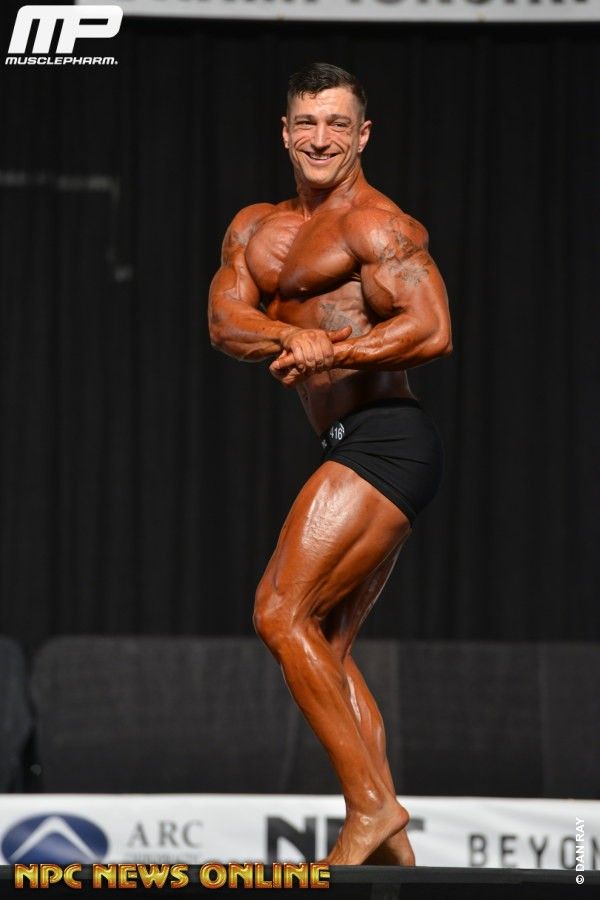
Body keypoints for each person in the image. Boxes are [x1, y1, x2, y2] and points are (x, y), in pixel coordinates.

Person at [208, 62, 452, 867]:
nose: (321, 139)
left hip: (388, 438)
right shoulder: (255, 228)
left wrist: (336, 351)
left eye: (338, 124)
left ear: (363, 135)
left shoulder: (378, 225)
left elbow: (432, 327)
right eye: (307, 123)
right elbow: (226, 321)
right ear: (285, 133)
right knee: (324, 648)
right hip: (347, 441)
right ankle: (395, 857)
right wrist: (292, 336)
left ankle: (373, 808)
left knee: (279, 612)